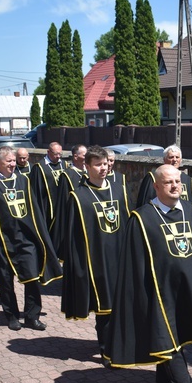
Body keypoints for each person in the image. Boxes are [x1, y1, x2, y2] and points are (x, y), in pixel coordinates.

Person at [104, 164, 192, 383]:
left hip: (188, 288)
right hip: (158, 291)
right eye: (168, 182)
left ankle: (164, 378)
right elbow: (135, 262)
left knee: (180, 333)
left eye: (178, 181)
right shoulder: (142, 218)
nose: (175, 186)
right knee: (167, 334)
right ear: (156, 186)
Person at [0, 146, 62, 331]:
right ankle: (12, 316)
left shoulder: (24, 181)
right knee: (6, 282)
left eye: (14, 161)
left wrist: (40, 235)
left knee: (32, 279)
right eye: (8, 161)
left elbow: (34, 211)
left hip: (26, 240)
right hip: (3, 242)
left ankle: (32, 316)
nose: (13, 164)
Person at [61, 146, 130, 357]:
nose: (104, 168)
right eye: (98, 164)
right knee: (104, 308)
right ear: (87, 166)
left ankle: (121, 344)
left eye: (106, 163)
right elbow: (72, 236)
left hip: (120, 258)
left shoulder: (120, 190)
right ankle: (106, 350)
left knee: (122, 305)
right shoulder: (78, 196)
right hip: (96, 261)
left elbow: (128, 224)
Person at [50, 144, 87, 256]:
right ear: (75, 157)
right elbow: (63, 204)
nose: (87, 157)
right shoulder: (67, 176)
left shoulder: (89, 172)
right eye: (85, 155)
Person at [30, 141, 65, 232]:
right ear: (48, 152)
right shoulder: (39, 167)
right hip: (47, 206)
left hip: (62, 204)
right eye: (55, 154)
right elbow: (35, 190)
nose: (58, 156)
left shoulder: (64, 164)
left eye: (60, 154)